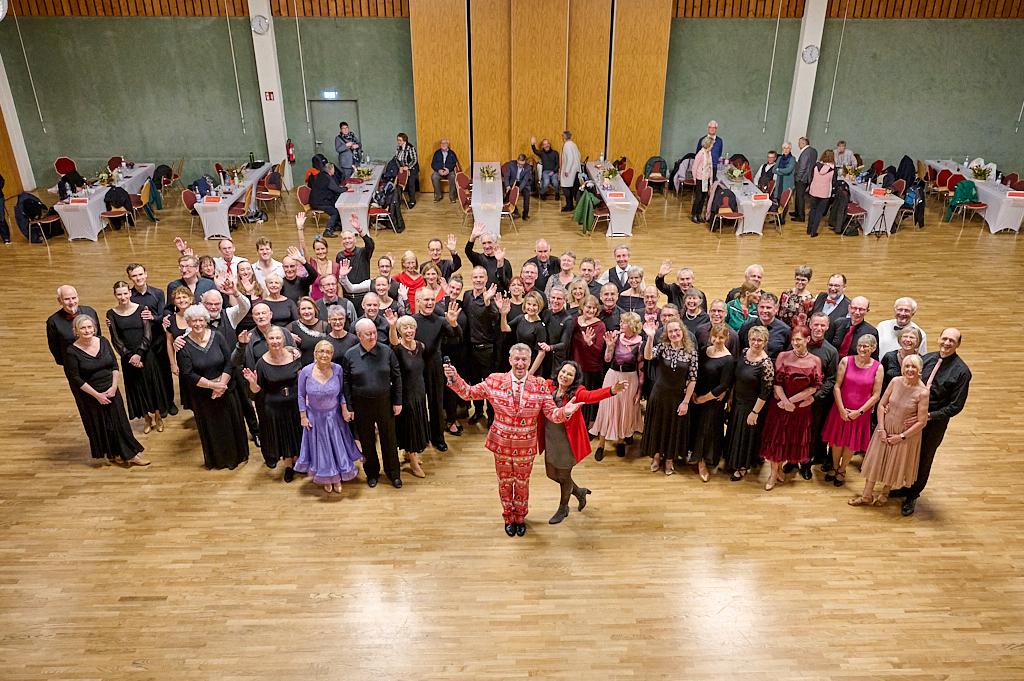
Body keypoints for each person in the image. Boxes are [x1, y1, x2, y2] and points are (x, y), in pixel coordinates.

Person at [445, 344, 580, 536]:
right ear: (510, 360)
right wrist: (454, 378)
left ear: (530, 361)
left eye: (524, 359)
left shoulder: (540, 384)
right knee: (505, 482)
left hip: (525, 446)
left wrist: (564, 412)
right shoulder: (494, 381)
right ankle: (508, 516)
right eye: (516, 359)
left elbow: (552, 413)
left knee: (522, 483)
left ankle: (520, 517)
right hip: (501, 444)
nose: (520, 363)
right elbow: (468, 393)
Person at [891, 328, 971, 517]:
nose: (947, 343)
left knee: (924, 457)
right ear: (938, 339)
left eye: (952, 340)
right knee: (909, 452)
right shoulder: (926, 359)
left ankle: (913, 494)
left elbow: (955, 406)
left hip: (934, 421)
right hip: (911, 415)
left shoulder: (962, 372)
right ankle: (905, 485)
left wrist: (928, 416)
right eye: (944, 338)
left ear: (958, 344)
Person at [540, 361, 625, 524]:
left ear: (575, 378)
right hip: (550, 439)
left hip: (567, 442)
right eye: (563, 371)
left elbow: (592, 396)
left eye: (570, 374)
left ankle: (563, 508)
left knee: (564, 477)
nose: (565, 376)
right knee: (552, 474)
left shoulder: (577, 392)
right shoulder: (548, 385)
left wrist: (612, 391)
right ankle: (579, 492)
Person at [64, 315, 148, 466]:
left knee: (120, 422)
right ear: (76, 331)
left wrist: (114, 386)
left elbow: (114, 366)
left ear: (94, 328)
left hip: (111, 389)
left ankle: (131, 454)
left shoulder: (103, 341)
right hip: (92, 394)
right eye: (83, 328)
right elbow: (75, 378)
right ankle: (114, 453)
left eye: (90, 327)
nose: (87, 330)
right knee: (104, 425)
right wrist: (97, 396)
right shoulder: (71, 351)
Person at [849, 354, 930, 508]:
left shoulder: (923, 392)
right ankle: (866, 495)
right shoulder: (895, 381)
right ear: (902, 367)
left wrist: (901, 437)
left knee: (894, 464)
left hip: (903, 434)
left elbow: (922, 421)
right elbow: (881, 404)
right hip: (885, 429)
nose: (910, 369)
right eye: (907, 366)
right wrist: (881, 428)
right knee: (875, 462)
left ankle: (884, 494)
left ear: (920, 370)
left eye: (914, 367)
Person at [177, 305, 250, 470]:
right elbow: (188, 374)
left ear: (206, 321)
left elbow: (229, 362)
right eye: (194, 321)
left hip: (226, 389)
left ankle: (238, 456)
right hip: (203, 396)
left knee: (232, 423)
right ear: (188, 322)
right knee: (214, 428)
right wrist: (213, 386)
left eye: (201, 320)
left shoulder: (217, 337)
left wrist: (221, 385)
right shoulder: (183, 346)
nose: (197, 324)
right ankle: (219, 460)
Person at [759, 326, 823, 490]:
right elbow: (776, 383)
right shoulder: (783, 356)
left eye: (799, 339)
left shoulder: (815, 360)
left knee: (789, 440)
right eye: (793, 339)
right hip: (780, 406)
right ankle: (773, 473)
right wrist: (784, 401)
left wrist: (791, 402)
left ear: (808, 340)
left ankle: (781, 467)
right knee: (776, 440)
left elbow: (814, 387)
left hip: (799, 408)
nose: (795, 343)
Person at [294, 340, 363, 494]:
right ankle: (327, 477)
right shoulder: (305, 371)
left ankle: (338, 476)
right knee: (322, 450)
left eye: (328, 352)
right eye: (321, 351)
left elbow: (342, 394)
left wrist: (345, 409)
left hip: (334, 417)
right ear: (315, 353)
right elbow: (300, 395)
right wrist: (303, 416)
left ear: (332, 355)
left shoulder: (337, 369)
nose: (324, 354)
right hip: (315, 417)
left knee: (337, 448)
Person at [342, 319, 403, 488]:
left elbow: (397, 377)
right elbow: (345, 382)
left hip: (385, 402)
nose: (372, 336)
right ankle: (372, 473)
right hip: (361, 405)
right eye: (368, 334)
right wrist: (349, 406)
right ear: (359, 335)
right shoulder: (350, 355)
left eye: (374, 332)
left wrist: (398, 401)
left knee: (389, 439)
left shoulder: (387, 351)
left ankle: (393, 473)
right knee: (367, 441)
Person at [107, 281, 168, 434]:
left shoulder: (141, 309)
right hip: (128, 358)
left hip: (146, 354)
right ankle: (147, 418)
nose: (122, 297)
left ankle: (158, 416)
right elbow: (116, 339)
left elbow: (148, 334)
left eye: (125, 293)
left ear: (129, 293)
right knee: (137, 388)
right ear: (115, 295)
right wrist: (130, 356)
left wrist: (139, 354)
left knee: (152, 385)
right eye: (119, 294)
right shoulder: (111, 314)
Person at [821, 334, 883, 487]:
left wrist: (859, 412)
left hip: (861, 413)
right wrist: (841, 409)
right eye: (860, 345)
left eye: (866, 346)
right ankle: (835, 466)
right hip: (840, 408)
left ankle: (842, 469)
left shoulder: (878, 367)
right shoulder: (846, 361)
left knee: (851, 443)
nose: (862, 348)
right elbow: (837, 386)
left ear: (873, 348)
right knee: (837, 441)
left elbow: (876, 395)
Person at [242, 326, 302, 478]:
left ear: (284, 339)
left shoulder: (294, 356)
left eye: (278, 338)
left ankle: (300, 461)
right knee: (284, 436)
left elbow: (301, 379)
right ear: (267, 341)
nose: (275, 341)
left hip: (295, 404)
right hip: (275, 407)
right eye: (272, 338)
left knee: (297, 434)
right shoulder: (262, 363)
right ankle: (288, 466)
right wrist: (252, 382)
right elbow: (256, 391)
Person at [640, 318, 698, 475]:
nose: (674, 333)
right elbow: (647, 356)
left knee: (673, 429)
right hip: (659, 394)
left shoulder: (691, 352)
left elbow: (692, 379)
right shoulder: (663, 347)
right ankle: (657, 457)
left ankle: (670, 460)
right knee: (658, 427)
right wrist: (650, 338)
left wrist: (686, 402)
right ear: (667, 334)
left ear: (682, 331)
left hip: (678, 397)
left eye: (677, 330)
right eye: (671, 331)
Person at [590, 313, 644, 461]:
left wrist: (640, 391)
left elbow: (641, 369)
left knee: (624, 410)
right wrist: (610, 345)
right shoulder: (616, 338)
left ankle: (621, 441)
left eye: (624, 322)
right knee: (607, 410)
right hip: (613, 377)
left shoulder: (640, 343)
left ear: (632, 325)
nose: (620, 324)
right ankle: (601, 445)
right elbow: (607, 359)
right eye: (621, 321)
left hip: (630, 379)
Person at [725, 326, 775, 481]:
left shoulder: (766, 364)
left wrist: (755, 412)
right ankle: (732, 460)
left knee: (746, 437)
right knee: (735, 432)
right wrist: (731, 397)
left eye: (760, 340)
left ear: (765, 342)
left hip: (752, 406)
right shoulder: (744, 352)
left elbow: (765, 392)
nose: (756, 342)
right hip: (738, 402)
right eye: (753, 339)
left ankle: (742, 466)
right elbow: (736, 378)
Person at [127, 264, 177, 415]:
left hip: (158, 339)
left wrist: (153, 317)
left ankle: (169, 402)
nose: (138, 278)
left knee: (164, 371)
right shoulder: (129, 295)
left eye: (140, 274)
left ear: (146, 274)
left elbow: (164, 314)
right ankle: (157, 405)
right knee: (150, 375)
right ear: (130, 278)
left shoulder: (157, 293)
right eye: (134, 276)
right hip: (141, 340)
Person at [47, 286, 103, 417]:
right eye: (67, 299)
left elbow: (98, 336)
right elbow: (54, 348)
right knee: (85, 404)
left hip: (96, 365)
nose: (71, 302)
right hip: (76, 370)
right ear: (59, 300)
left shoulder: (90, 311)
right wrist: (70, 363)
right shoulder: (53, 321)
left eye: (74, 298)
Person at [690, 323, 735, 481]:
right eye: (715, 337)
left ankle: (702, 461)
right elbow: (695, 372)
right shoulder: (704, 351)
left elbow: (724, 385)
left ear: (726, 338)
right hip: (697, 396)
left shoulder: (728, 359)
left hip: (711, 400)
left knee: (706, 430)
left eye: (721, 337)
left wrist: (704, 398)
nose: (717, 340)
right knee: (696, 426)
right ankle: (693, 454)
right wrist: (694, 392)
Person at [391, 316, 430, 478]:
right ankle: (413, 462)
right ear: (400, 331)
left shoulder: (421, 346)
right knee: (410, 426)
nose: (409, 331)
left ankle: (409, 454)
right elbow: (393, 342)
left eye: (411, 327)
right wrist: (392, 326)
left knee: (418, 423)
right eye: (405, 328)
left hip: (419, 392)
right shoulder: (397, 348)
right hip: (406, 394)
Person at [462, 267, 500, 424]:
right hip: (470, 349)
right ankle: (478, 411)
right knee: (475, 383)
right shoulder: (467, 296)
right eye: (475, 277)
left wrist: (487, 302)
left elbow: (495, 317)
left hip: (487, 349)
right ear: (472, 278)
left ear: (486, 279)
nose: (478, 280)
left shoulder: (490, 297)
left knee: (488, 384)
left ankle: (492, 415)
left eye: (481, 277)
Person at [805, 312, 839, 476]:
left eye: (822, 325)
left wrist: (814, 397)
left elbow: (831, 379)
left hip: (816, 402)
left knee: (813, 432)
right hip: (796, 399)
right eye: (816, 324)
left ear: (827, 327)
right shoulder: (799, 344)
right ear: (810, 324)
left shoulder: (831, 352)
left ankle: (807, 462)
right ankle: (791, 460)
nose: (818, 328)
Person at [569, 295, 607, 427]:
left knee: (589, 399)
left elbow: (598, 351)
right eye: (588, 307)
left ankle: (589, 427)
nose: (590, 310)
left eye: (593, 308)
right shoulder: (574, 321)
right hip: (576, 366)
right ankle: (575, 423)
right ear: (582, 307)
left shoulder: (600, 325)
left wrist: (590, 343)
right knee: (576, 396)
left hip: (592, 367)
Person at [333, 215, 375, 307]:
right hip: (346, 297)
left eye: (350, 238)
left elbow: (370, 244)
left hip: (363, 295)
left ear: (355, 240)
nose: (347, 241)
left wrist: (360, 230)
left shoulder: (363, 252)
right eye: (344, 238)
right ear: (342, 242)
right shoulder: (339, 256)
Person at [739, 293, 791, 358]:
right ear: (757, 307)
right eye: (762, 307)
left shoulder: (785, 330)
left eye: (768, 307)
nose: (764, 310)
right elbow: (740, 351)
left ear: (776, 309)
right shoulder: (746, 327)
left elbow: (787, 355)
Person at [465, 223, 512, 290]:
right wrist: (472, 237)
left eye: (489, 242)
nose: (487, 246)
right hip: (481, 296)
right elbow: (468, 251)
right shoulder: (478, 259)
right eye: (484, 243)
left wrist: (500, 265)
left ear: (495, 243)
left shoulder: (505, 263)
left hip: (498, 298)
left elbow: (507, 285)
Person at [881, 326, 924, 395]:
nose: (907, 340)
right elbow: (881, 381)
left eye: (912, 337)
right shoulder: (889, 356)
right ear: (900, 339)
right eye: (905, 336)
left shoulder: (922, 360)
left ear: (918, 341)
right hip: (888, 399)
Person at [310, 161, 345, 237]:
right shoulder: (327, 178)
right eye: (333, 169)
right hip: (319, 202)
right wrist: (346, 188)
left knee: (336, 206)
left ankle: (335, 225)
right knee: (334, 212)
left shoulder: (321, 175)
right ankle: (328, 230)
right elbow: (337, 189)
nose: (334, 171)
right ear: (330, 170)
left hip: (316, 200)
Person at [806, 149, 835, 237]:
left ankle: (809, 229)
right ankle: (813, 232)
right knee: (819, 212)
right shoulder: (832, 169)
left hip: (814, 191)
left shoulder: (816, 166)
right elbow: (833, 182)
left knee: (812, 210)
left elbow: (811, 177)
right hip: (824, 193)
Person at [791, 137, 818, 222]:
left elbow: (803, 167)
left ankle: (800, 216)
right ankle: (797, 212)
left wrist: (798, 178)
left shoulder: (805, 152)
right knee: (799, 196)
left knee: (800, 197)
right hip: (808, 177)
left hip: (802, 178)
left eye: (799, 143)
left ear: (803, 143)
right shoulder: (813, 151)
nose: (798, 144)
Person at [503, 154, 534, 221]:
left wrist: (518, 190)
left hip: (524, 183)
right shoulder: (511, 164)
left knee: (527, 196)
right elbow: (506, 176)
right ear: (517, 160)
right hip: (513, 182)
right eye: (519, 163)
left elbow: (525, 180)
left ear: (525, 162)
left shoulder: (528, 167)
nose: (520, 165)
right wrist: (507, 186)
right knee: (510, 194)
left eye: (522, 164)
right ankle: (514, 212)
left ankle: (525, 215)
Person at [690, 137, 713, 223]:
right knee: (698, 197)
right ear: (708, 144)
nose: (712, 146)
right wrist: (695, 179)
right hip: (700, 178)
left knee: (703, 197)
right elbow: (694, 167)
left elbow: (710, 167)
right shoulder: (700, 153)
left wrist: (710, 179)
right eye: (711, 145)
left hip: (706, 178)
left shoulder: (709, 153)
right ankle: (694, 215)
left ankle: (699, 214)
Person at [394, 132, 419, 208]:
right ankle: (398, 199)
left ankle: (412, 201)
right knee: (399, 182)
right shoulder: (399, 148)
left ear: (404, 140)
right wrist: (400, 167)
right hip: (403, 168)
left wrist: (408, 167)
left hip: (412, 168)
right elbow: (396, 159)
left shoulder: (410, 148)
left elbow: (414, 160)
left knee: (411, 184)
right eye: (398, 140)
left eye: (400, 140)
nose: (398, 142)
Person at [559, 130, 581, 212]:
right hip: (575, 169)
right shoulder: (573, 144)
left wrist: (567, 170)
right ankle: (570, 204)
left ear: (564, 137)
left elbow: (570, 158)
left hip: (569, 170)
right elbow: (579, 155)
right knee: (571, 187)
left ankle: (569, 205)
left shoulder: (567, 145)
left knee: (565, 187)